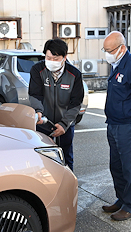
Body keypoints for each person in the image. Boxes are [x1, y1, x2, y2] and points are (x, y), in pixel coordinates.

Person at [101, 31, 131, 221]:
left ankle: (130, 206)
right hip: (113, 124)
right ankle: (121, 199)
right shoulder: (116, 64)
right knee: (116, 167)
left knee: (130, 169)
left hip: (128, 126)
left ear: (122, 48)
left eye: (110, 50)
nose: (107, 54)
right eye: (104, 50)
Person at [28, 38, 84, 171]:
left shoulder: (74, 74)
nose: (51, 61)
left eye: (55, 58)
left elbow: (76, 102)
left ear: (64, 57)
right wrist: (38, 111)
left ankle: (68, 188)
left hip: (65, 124)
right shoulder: (38, 70)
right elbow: (35, 94)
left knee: (65, 157)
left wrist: (64, 124)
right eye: (48, 57)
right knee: (43, 158)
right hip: (43, 123)